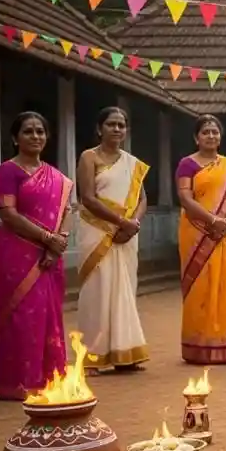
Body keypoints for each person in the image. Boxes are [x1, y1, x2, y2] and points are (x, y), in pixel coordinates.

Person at [0, 112, 73, 400]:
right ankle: (18, 383)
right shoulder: (7, 172)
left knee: (48, 316)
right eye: (28, 131)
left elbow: (67, 211)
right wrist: (48, 240)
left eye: (40, 131)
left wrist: (56, 243)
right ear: (15, 138)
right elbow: (9, 214)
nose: (36, 136)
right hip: (17, 254)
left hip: (51, 256)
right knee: (21, 316)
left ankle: (49, 378)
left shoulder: (58, 178)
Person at [75, 107, 150, 373]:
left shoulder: (132, 163)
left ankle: (125, 353)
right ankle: (92, 356)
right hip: (97, 232)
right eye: (111, 124)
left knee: (124, 290)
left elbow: (142, 199)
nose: (117, 129)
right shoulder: (89, 157)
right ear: (99, 129)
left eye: (121, 125)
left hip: (127, 235)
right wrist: (121, 222)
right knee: (96, 291)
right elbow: (88, 198)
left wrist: (133, 225)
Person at [175, 114, 226, 364]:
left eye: (215, 131)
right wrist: (211, 220)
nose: (211, 136)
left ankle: (224, 342)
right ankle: (198, 344)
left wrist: (225, 220)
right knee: (199, 286)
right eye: (205, 132)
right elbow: (185, 198)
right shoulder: (187, 164)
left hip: (225, 231)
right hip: (197, 231)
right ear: (196, 137)